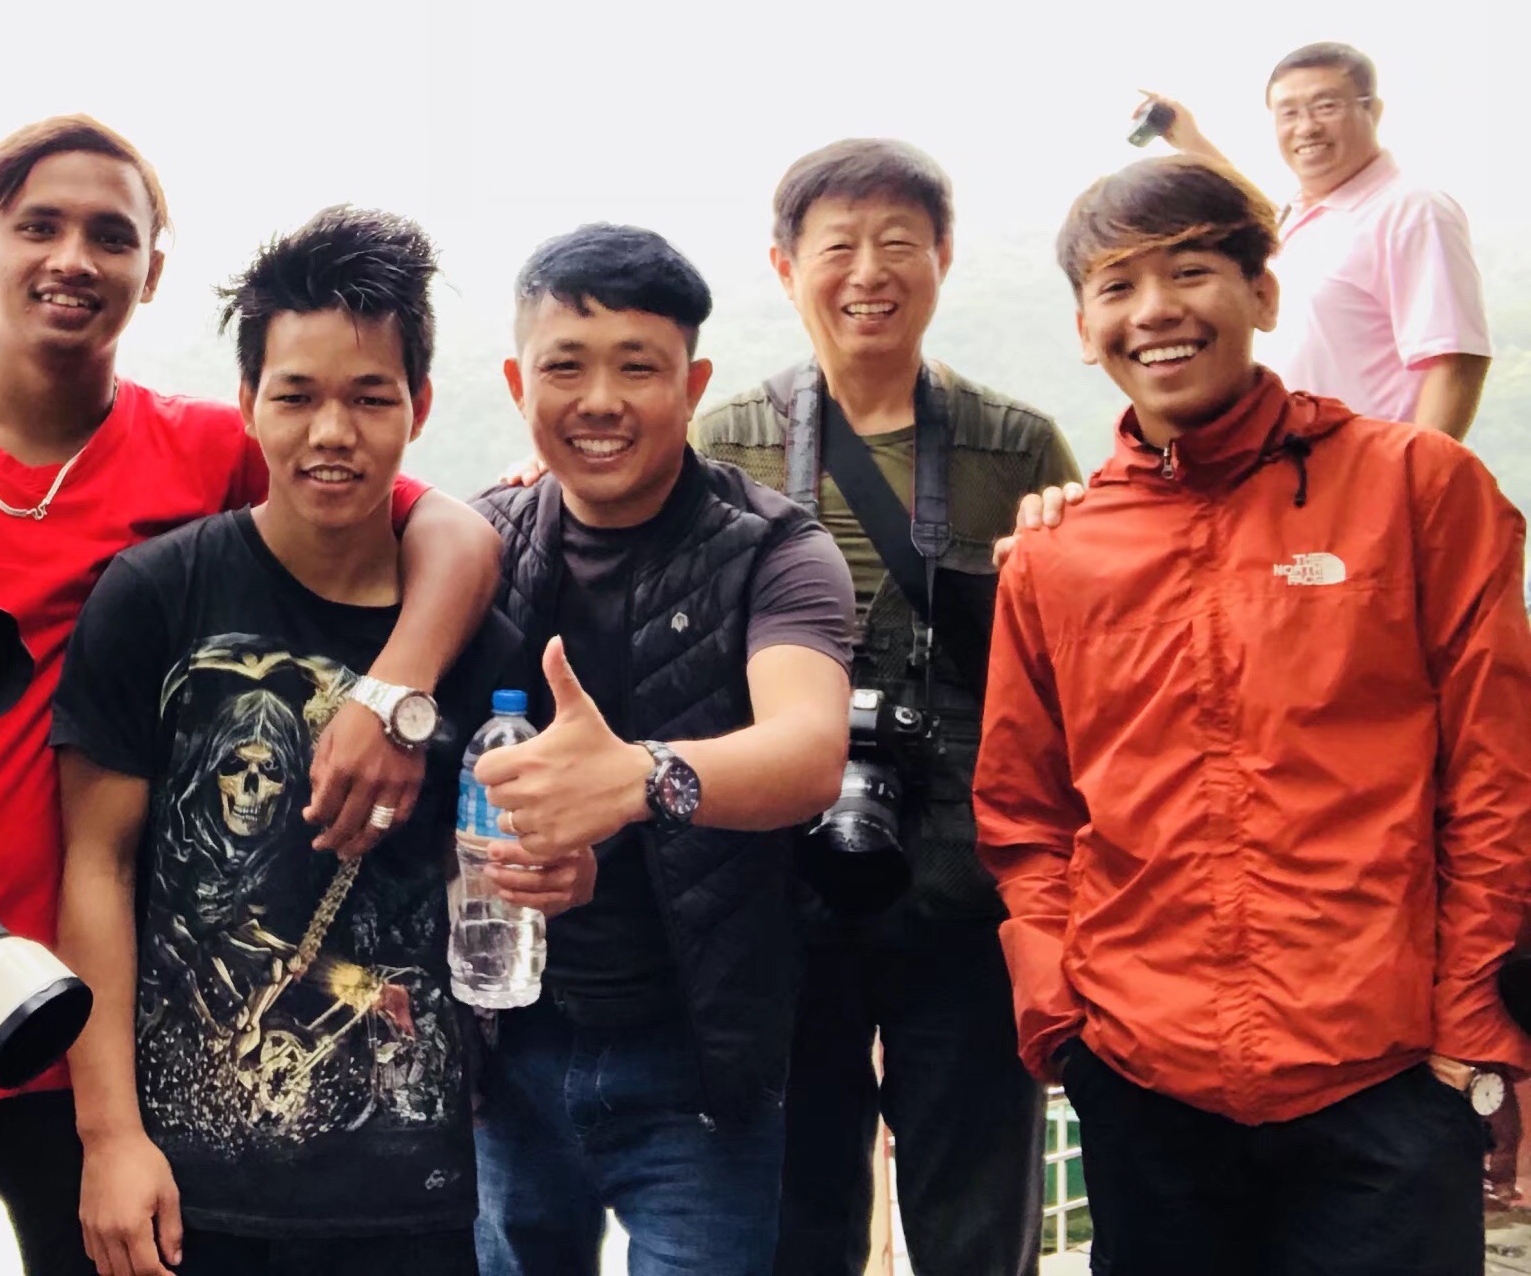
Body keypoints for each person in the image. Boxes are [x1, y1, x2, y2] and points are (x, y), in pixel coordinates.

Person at [0, 126, 500, 1275]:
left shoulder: (205, 447)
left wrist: (394, 688)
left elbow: (447, 528)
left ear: (151, 270)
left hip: (84, 1022)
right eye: (40, 225)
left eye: (111, 235)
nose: (74, 257)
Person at [975, 154, 1531, 1275]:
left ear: (1264, 295)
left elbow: (1496, 774)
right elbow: (1024, 809)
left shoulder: (1417, 489)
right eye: (1118, 287)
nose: (1155, 311)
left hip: (1386, 1075)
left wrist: (1474, 1026)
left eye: (1192, 271)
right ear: (1084, 329)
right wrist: (1062, 1019)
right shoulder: (1057, 555)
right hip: (1142, 1078)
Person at [48, 207, 591, 1276]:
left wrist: (563, 871)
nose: (331, 431)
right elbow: (96, 866)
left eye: (369, 397)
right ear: (248, 402)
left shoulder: (481, 646)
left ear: (419, 407)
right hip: (187, 1187)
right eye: (296, 395)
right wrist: (108, 1138)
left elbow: (499, 862)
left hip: (409, 1187)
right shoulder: (156, 597)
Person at [694, 140, 1077, 1276]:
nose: (869, 272)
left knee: (976, 1206)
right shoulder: (724, 441)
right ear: (785, 266)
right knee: (795, 1204)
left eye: (899, 242)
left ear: (943, 258)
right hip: (779, 870)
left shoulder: (1016, 445)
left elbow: (1071, 659)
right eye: (839, 246)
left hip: (963, 873)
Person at [469, 224, 857, 1276]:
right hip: (509, 1052)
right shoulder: (474, 542)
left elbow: (807, 750)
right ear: (517, 383)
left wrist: (642, 778)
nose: (599, 401)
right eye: (565, 367)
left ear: (693, 386)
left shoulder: (777, 551)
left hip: (699, 1068)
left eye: (637, 368)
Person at [1135, 41, 1490, 437]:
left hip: (1372, 466)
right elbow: (1254, 208)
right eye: (1289, 113)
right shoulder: (1303, 216)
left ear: (1373, 111)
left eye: (1326, 106)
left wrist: (1420, 471)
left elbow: (1455, 360)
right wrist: (1190, 140)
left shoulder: (1411, 211)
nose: (1306, 127)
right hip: (1293, 466)